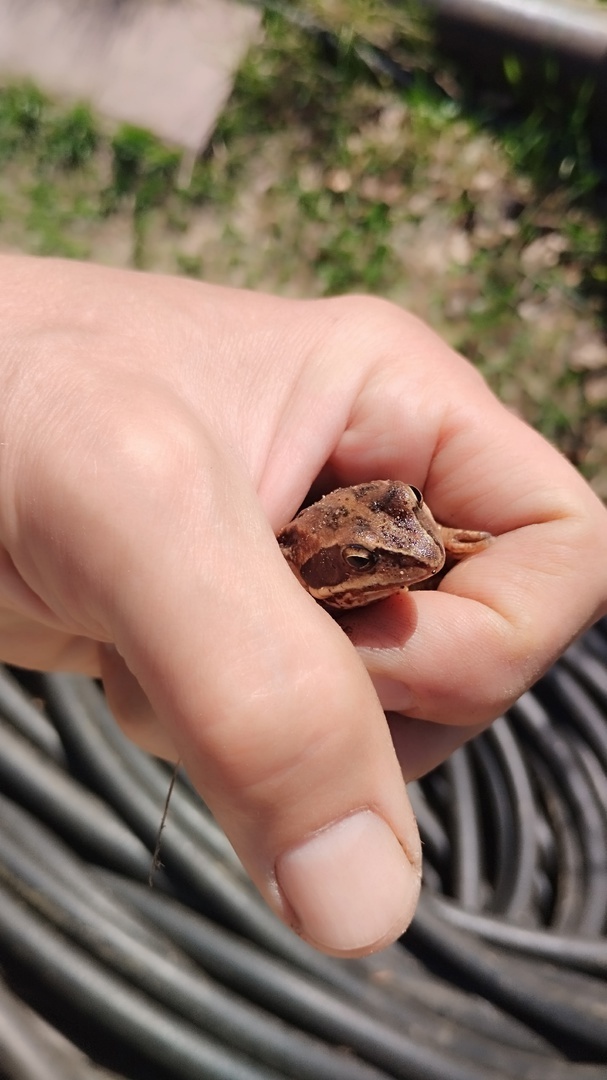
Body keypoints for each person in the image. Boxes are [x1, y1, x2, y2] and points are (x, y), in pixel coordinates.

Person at [1, 253, 605, 958]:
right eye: (360, 564)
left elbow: (390, 522)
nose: (409, 557)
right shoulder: (285, 577)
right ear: (330, 572)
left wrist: (431, 533)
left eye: (414, 509)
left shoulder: (399, 529)